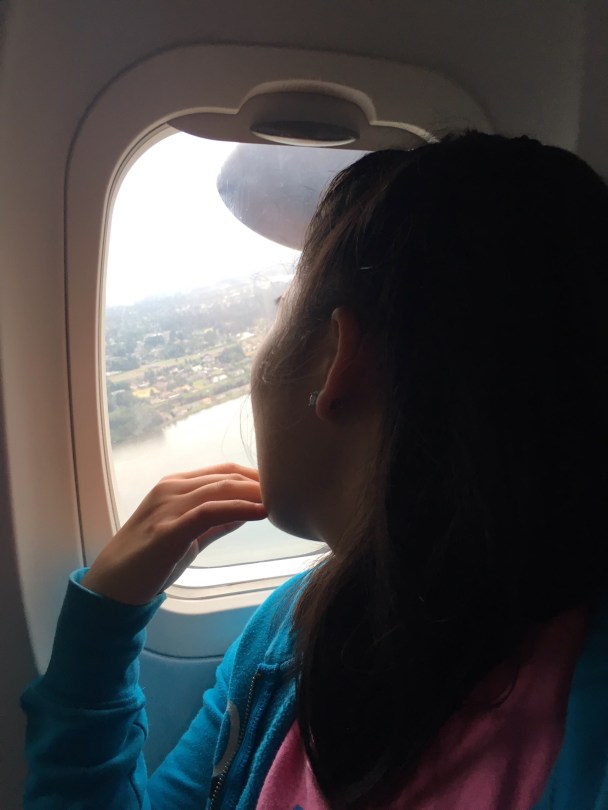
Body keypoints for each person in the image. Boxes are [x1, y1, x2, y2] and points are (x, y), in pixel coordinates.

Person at [21, 132, 608, 809]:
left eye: (278, 314)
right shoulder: (289, 632)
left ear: (337, 359)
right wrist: (100, 631)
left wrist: (95, 642)